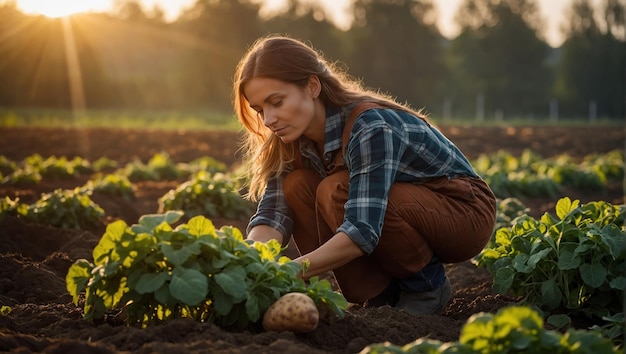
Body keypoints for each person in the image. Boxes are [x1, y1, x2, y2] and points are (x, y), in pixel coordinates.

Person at [232, 34, 497, 315]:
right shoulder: (286, 140)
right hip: (402, 210)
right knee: (296, 185)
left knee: (336, 190)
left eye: (277, 102)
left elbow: (361, 229)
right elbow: (273, 213)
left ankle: (426, 288)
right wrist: (251, 260)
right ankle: (382, 295)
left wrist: (291, 270)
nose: (269, 120)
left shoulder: (369, 126)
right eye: (260, 110)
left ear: (312, 86)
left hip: (462, 212)